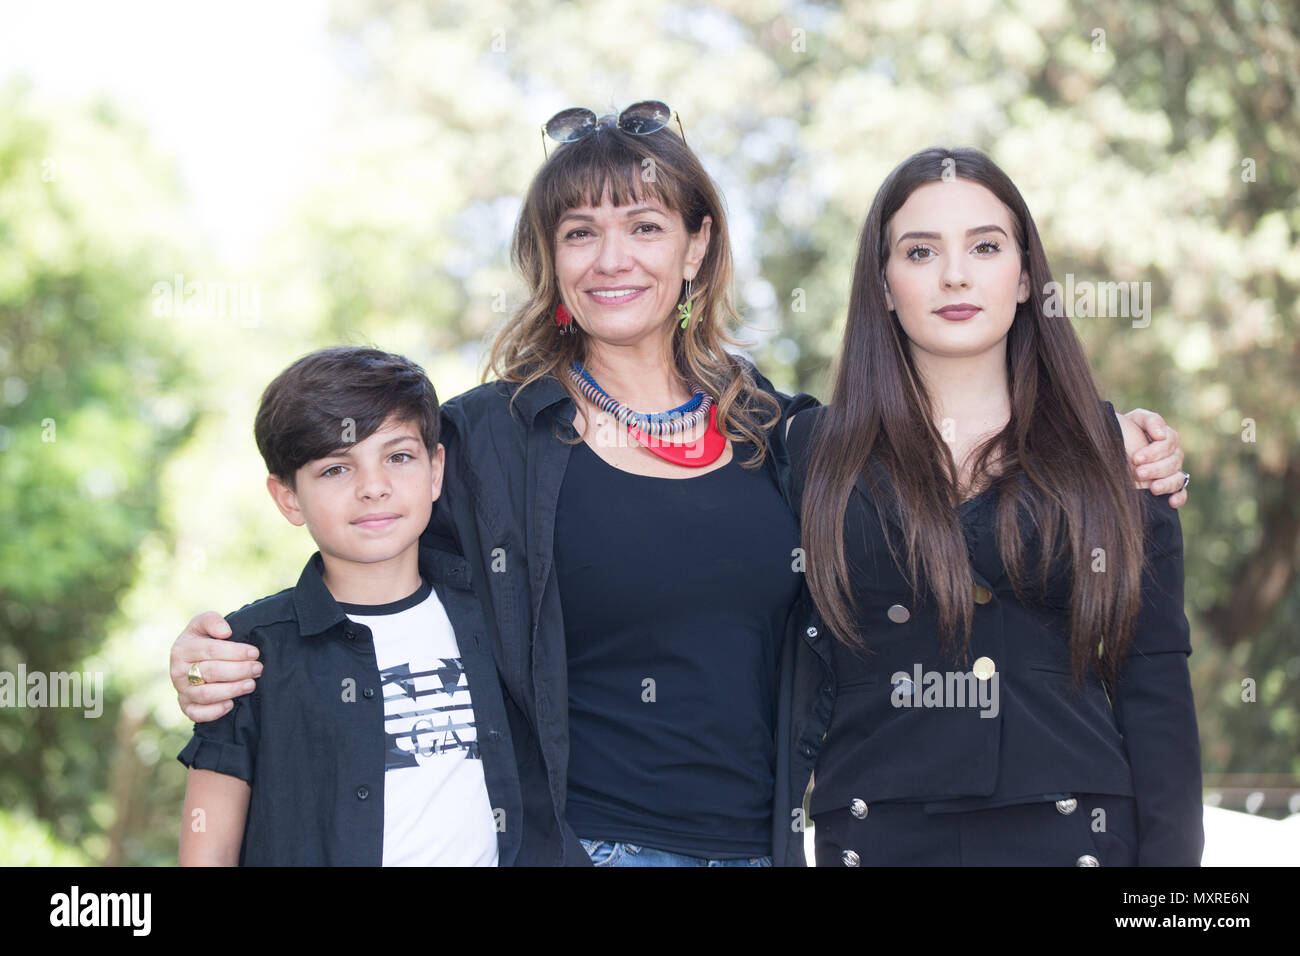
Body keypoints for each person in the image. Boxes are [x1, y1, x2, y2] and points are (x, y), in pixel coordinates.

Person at [169, 104, 1192, 866]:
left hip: (767, 844)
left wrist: (1111, 439)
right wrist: (224, 654)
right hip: (585, 847)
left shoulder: (785, 439)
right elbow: (369, 552)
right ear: (550, 260)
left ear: (696, 246)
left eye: (646, 226)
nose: (613, 257)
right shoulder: (486, 438)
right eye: (580, 233)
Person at [786, 147, 1203, 866]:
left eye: (985, 245)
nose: (955, 274)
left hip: (1082, 839)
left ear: (1024, 279)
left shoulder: (1117, 457)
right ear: (882, 285)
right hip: (877, 839)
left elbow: (1156, 689)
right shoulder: (806, 455)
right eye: (920, 251)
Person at [177, 347, 518, 865]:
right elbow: (207, 852)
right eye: (336, 469)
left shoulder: (497, 611)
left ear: (434, 470)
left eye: (398, 457)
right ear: (288, 497)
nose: (373, 487)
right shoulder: (246, 653)